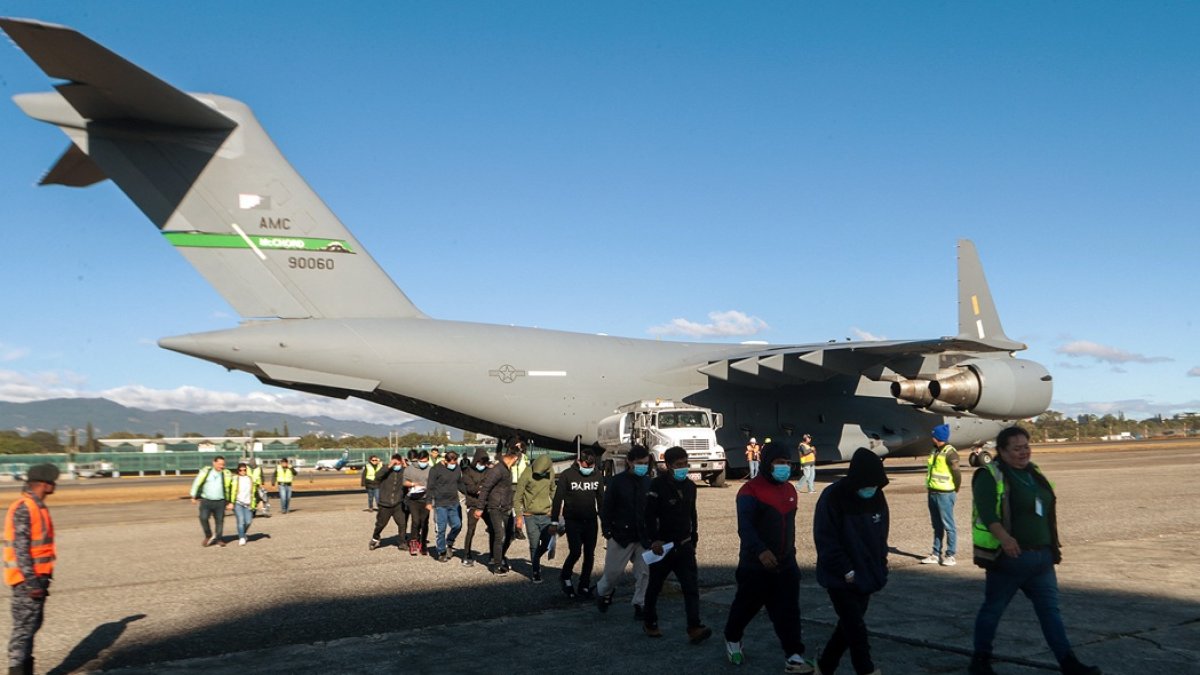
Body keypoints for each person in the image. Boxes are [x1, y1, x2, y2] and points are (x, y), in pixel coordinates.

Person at [968, 427, 1101, 675]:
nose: (1023, 452)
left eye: (1026, 446)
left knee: (1051, 613)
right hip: (1009, 559)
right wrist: (1005, 539)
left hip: (1042, 559)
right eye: (1016, 448)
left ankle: (1069, 663)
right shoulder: (989, 475)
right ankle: (980, 661)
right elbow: (987, 514)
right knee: (993, 610)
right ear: (1002, 451)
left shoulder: (1033, 473)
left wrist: (1051, 548)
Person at [723, 442, 814, 672]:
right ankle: (732, 638)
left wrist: (790, 556)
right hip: (756, 564)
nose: (783, 467)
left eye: (786, 462)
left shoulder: (790, 490)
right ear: (767, 464)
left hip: (786, 564)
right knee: (746, 607)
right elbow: (746, 527)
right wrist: (760, 551)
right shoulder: (749, 491)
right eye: (778, 463)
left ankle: (793, 656)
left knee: (789, 611)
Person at [813, 447, 890, 675]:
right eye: (867, 485)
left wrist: (881, 563)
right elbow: (825, 539)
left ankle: (825, 667)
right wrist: (846, 570)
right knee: (855, 628)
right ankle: (865, 670)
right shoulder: (833, 497)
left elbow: (881, 533)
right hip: (840, 577)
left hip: (867, 574)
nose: (871, 489)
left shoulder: (877, 495)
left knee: (847, 627)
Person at [642, 446, 711, 644]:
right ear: (669, 465)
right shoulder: (657, 485)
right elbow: (649, 515)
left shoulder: (690, 486)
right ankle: (650, 621)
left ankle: (694, 626)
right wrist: (653, 539)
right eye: (679, 465)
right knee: (655, 586)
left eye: (685, 464)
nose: (683, 468)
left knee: (691, 587)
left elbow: (692, 514)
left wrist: (694, 537)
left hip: (685, 545)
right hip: (662, 546)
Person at [4, 464, 58, 675]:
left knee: (30, 628)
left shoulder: (38, 506)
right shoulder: (25, 507)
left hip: (37, 578)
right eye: (52, 482)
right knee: (23, 630)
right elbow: (21, 548)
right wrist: (31, 582)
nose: (55, 485)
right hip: (27, 581)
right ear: (44, 484)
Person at [595, 445, 652, 619]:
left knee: (644, 572)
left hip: (642, 537)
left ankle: (640, 604)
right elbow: (606, 508)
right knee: (612, 574)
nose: (643, 466)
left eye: (645, 463)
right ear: (629, 462)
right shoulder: (616, 482)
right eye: (639, 463)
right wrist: (607, 531)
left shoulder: (649, 482)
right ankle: (602, 592)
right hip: (620, 535)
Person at [552, 444, 604, 598]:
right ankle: (565, 576)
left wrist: (606, 522)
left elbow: (601, 501)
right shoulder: (567, 475)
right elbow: (557, 499)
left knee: (590, 554)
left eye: (591, 465)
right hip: (573, 520)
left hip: (591, 521)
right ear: (579, 461)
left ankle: (584, 585)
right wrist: (554, 521)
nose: (588, 467)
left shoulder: (597, 475)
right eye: (586, 464)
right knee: (575, 551)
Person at [475, 443, 520, 574]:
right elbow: (486, 488)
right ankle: (496, 565)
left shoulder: (507, 469)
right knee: (499, 535)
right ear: (515, 458)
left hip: (506, 506)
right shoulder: (498, 470)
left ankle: (499, 556)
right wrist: (480, 508)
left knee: (510, 535)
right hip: (495, 507)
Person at [921, 424, 961, 566]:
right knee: (936, 525)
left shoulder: (950, 453)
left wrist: (955, 488)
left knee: (948, 525)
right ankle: (935, 554)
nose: (932, 437)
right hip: (932, 492)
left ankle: (950, 555)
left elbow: (956, 473)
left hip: (945, 494)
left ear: (938, 438)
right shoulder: (934, 451)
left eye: (933, 435)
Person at [515, 453, 557, 583]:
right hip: (530, 516)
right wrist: (519, 516)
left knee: (547, 543)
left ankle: (535, 559)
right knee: (534, 544)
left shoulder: (550, 472)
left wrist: (557, 509)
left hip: (546, 515)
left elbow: (553, 490)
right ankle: (535, 571)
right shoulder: (526, 473)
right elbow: (517, 497)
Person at [426, 451, 462, 562]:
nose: (453, 464)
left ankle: (449, 542)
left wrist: (469, 494)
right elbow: (430, 486)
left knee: (457, 525)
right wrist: (428, 501)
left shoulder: (457, 468)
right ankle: (441, 551)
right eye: (451, 462)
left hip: (454, 502)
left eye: (455, 462)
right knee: (441, 529)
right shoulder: (435, 469)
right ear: (445, 461)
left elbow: (459, 483)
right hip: (440, 504)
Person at [458, 448, 491, 566]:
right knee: (471, 530)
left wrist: (482, 488)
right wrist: (482, 488)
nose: (482, 465)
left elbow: (490, 484)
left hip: (487, 504)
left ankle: (493, 554)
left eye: (484, 463)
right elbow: (470, 488)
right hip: (473, 505)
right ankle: (466, 554)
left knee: (493, 529)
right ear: (476, 460)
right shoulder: (467, 471)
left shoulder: (488, 471)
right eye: (481, 462)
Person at [190, 456, 232, 547]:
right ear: (214, 463)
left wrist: (230, 502)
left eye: (223, 464)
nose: (221, 466)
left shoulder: (226, 474)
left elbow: (230, 488)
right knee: (203, 518)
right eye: (219, 464)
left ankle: (219, 539)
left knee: (219, 521)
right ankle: (208, 535)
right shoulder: (206, 472)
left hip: (220, 502)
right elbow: (197, 482)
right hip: (206, 501)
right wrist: (193, 496)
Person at [369, 454, 407, 550]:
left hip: (398, 503)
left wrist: (405, 465)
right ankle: (375, 537)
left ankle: (402, 542)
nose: (397, 466)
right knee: (381, 524)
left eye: (399, 464)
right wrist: (389, 466)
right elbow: (377, 476)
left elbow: (410, 476)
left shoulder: (403, 471)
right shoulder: (386, 470)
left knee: (402, 523)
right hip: (385, 503)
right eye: (395, 464)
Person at [404, 450, 432, 555]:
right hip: (413, 499)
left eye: (425, 461)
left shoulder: (431, 470)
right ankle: (413, 542)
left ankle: (423, 543)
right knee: (415, 521)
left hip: (426, 499)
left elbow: (433, 484)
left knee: (424, 523)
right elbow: (404, 481)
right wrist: (413, 484)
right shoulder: (409, 469)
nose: (422, 463)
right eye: (421, 461)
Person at [230, 462, 260, 546]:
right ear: (238, 470)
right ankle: (242, 537)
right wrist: (230, 502)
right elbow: (230, 490)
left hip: (248, 504)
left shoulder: (250, 479)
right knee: (241, 521)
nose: (243, 471)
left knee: (248, 521)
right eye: (241, 470)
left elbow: (254, 491)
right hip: (238, 503)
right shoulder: (235, 478)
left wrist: (258, 501)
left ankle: (243, 533)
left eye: (244, 470)